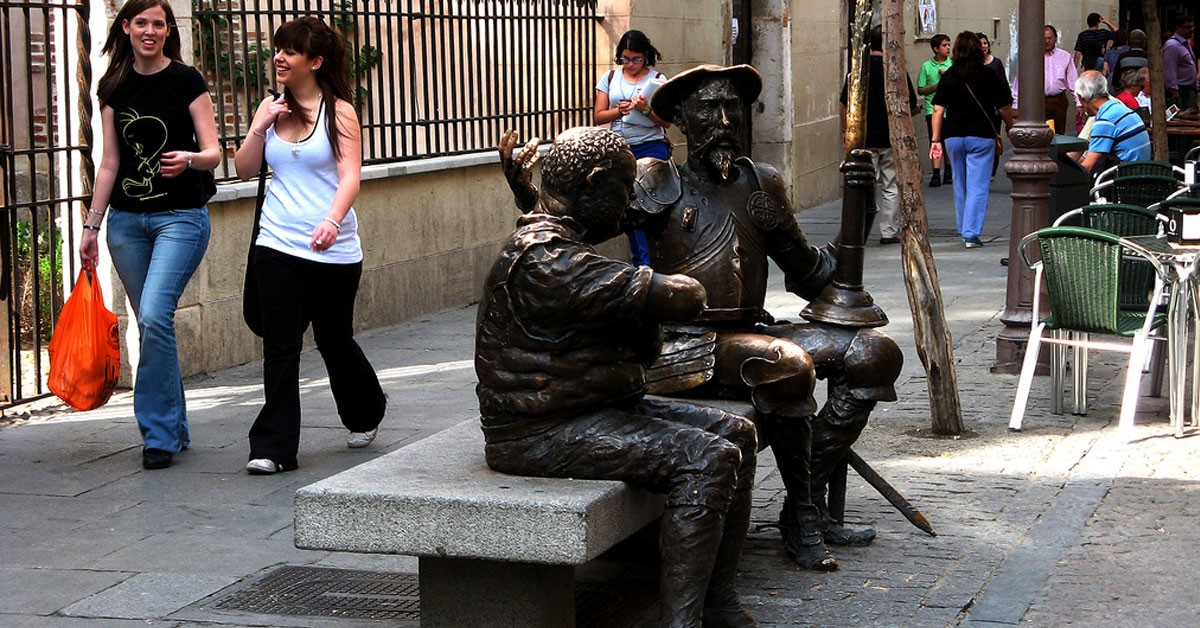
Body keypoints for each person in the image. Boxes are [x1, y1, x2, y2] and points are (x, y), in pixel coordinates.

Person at [503, 64, 903, 573]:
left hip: (752, 331)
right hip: (684, 343)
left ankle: (802, 495)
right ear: (682, 120)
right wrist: (531, 195)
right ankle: (805, 513)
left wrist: (859, 209)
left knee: (873, 353)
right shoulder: (656, 180)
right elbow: (575, 232)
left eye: (732, 107)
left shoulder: (761, 183)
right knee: (788, 365)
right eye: (709, 109)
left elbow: (812, 275)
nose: (724, 121)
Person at [485, 126, 759, 628]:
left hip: (592, 409)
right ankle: (681, 624)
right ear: (593, 183)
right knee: (706, 459)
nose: (631, 201)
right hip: (538, 432)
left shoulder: (560, 236)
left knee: (737, 432)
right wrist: (654, 290)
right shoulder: (550, 259)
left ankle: (717, 601)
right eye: (623, 189)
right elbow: (687, 297)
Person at [233, 17, 386, 474]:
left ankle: (366, 410)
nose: (279, 58)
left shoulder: (339, 111)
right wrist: (260, 125)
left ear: (315, 62)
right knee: (281, 346)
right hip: (276, 242)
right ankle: (273, 448)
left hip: (331, 250)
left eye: (290, 51)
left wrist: (332, 221)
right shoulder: (270, 107)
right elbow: (243, 170)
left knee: (334, 340)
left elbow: (350, 175)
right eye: (278, 49)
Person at [79, 0, 219, 470]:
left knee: (156, 315)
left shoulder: (187, 80)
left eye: (159, 23)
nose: (150, 30)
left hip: (181, 218)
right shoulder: (113, 85)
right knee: (151, 324)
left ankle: (156, 436)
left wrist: (190, 159)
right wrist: (92, 226)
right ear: (126, 27)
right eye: (141, 22)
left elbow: (214, 151)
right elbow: (110, 162)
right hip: (126, 223)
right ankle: (174, 427)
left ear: (167, 31)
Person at [929, 32, 1015, 249]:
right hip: (981, 135)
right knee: (978, 185)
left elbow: (938, 109)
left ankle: (963, 227)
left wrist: (935, 139)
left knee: (960, 183)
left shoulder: (949, 75)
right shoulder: (988, 75)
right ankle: (971, 233)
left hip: (953, 136)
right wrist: (1010, 126)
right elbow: (1004, 107)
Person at [594, 30, 671, 266]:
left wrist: (645, 110)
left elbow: (666, 122)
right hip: (621, 146)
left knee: (647, 197)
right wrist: (619, 111)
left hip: (651, 145)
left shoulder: (658, 80)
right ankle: (642, 262)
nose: (630, 64)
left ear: (645, 55)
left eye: (636, 59)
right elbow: (599, 116)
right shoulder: (609, 78)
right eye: (625, 59)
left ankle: (658, 252)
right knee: (630, 202)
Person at [840, 25, 918, 245]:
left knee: (863, 185)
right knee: (891, 185)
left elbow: (845, 104)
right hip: (890, 136)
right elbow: (910, 105)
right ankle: (888, 231)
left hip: (863, 137)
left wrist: (846, 130)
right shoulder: (896, 70)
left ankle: (858, 231)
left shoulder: (858, 70)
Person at [1074, 71, 1151, 174]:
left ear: (1082, 98)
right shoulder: (1119, 109)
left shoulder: (1106, 120)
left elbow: (1087, 166)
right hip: (1141, 171)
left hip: (1127, 177)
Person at [1012, 25, 1078, 135]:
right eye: (1044, 38)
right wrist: (1015, 105)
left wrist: (1079, 103)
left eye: (1049, 38)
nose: (1047, 41)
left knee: (1058, 134)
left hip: (1058, 101)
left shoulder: (1065, 56)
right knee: (1040, 134)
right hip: (1038, 101)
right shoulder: (1031, 57)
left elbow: (1073, 81)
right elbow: (1019, 82)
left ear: (1055, 38)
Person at [918, 34, 953, 187]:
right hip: (932, 109)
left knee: (948, 141)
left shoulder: (953, 65)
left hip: (950, 109)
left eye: (949, 45)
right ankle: (936, 172)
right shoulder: (926, 66)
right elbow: (921, 89)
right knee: (935, 140)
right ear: (936, 48)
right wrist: (935, 87)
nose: (948, 48)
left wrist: (947, 78)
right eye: (944, 45)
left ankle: (948, 170)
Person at [979, 32, 1008, 177]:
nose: (983, 46)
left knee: (994, 137)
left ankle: (992, 170)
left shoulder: (996, 63)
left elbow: (1003, 85)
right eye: (980, 44)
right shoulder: (972, 66)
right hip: (979, 109)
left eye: (985, 43)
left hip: (995, 109)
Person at [1163, 14, 1197, 110]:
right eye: (1188, 27)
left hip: (1189, 88)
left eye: (1192, 27)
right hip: (1179, 90)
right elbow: (1169, 70)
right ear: (1178, 28)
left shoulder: (1186, 43)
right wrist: (1175, 92)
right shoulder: (1172, 45)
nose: (1191, 30)